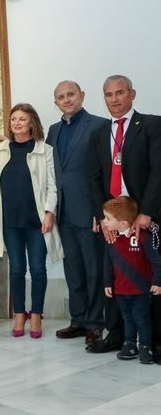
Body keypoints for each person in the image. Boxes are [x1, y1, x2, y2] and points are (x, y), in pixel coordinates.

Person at [87, 75, 161, 354]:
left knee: (150, 276)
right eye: (109, 94)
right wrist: (102, 217)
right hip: (114, 219)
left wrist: (147, 212)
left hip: (144, 216)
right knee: (117, 277)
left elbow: (158, 171)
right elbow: (93, 178)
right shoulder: (99, 132)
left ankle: (155, 340)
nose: (115, 99)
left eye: (120, 93)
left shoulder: (152, 124)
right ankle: (117, 335)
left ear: (132, 94)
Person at [0, 103, 63, 339]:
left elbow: (53, 186)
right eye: (13, 119)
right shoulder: (1, 149)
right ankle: (20, 313)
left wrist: (50, 213)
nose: (17, 123)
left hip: (36, 222)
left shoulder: (45, 150)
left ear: (32, 123)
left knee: (38, 269)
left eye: (22, 119)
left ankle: (37, 315)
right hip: (10, 221)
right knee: (17, 269)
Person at [46, 81, 106, 346]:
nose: (67, 99)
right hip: (64, 212)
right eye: (61, 97)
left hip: (89, 212)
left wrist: (100, 211)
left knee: (94, 269)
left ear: (81, 95)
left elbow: (105, 171)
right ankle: (79, 320)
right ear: (56, 102)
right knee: (73, 269)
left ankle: (95, 323)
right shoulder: (53, 130)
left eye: (71, 94)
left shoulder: (100, 125)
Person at [102, 196, 161, 364]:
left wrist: (157, 281)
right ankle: (129, 345)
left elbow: (156, 261)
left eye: (108, 219)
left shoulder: (143, 238)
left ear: (123, 224)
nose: (104, 222)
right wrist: (107, 283)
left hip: (141, 290)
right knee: (127, 318)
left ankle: (145, 346)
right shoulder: (111, 240)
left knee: (141, 318)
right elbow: (107, 263)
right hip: (121, 290)